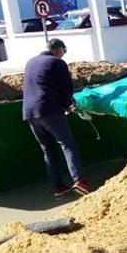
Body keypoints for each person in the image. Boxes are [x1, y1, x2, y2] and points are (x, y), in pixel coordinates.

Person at [23, 38, 91, 197]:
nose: (63, 55)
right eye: (64, 51)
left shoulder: (30, 62)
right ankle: (80, 181)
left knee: (48, 149)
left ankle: (58, 187)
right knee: (68, 144)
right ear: (58, 49)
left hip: (30, 113)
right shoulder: (57, 62)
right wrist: (68, 106)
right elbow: (66, 88)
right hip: (49, 110)